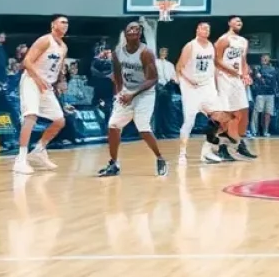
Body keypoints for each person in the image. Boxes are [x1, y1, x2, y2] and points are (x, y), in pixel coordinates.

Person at [98, 22, 168, 177]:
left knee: (143, 128)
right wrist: (119, 93)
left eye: (136, 29)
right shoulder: (118, 52)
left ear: (140, 33)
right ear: (125, 32)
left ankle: (160, 158)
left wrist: (132, 94)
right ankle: (114, 163)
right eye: (130, 28)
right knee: (113, 125)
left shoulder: (146, 52)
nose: (133, 31)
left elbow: (153, 79)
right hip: (127, 91)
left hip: (145, 94)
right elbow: (117, 75)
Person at [13, 15, 69, 175]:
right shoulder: (45, 40)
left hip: (47, 86)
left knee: (59, 120)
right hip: (31, 80)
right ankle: (20, 159)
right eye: (62, 22)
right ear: (53, 25)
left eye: (67, 23)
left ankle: (38, 150)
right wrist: (37, 79)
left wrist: (60, 82)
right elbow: (27, 62)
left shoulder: (64, 47)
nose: (65, 25)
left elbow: (58, 68)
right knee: (31, 116)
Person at [176, 22, 229, 165]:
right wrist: (189, 80)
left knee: (219, 118)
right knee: (189, 122)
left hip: (207, 87)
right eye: (203, 28)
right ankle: (182, 154)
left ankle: (206, 152)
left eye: (208, 29)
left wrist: (217, 84)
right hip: (191, 89)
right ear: (197, 29)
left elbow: (212, 67)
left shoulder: (211, 46)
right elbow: (179, 68)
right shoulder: (190, 46)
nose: (206, 30)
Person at [213, 17, 258, 161]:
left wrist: (245, 74)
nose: (239, 22)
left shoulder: (243, 41)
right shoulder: (224, 40)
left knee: (242, 112)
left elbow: (243, 60)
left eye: (241, 21)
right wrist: (231, 71)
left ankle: (239, 144)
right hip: (223, 78)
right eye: (236, 20)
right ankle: (222, 148)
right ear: (229, 23)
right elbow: (217, 60)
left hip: (237, 80)